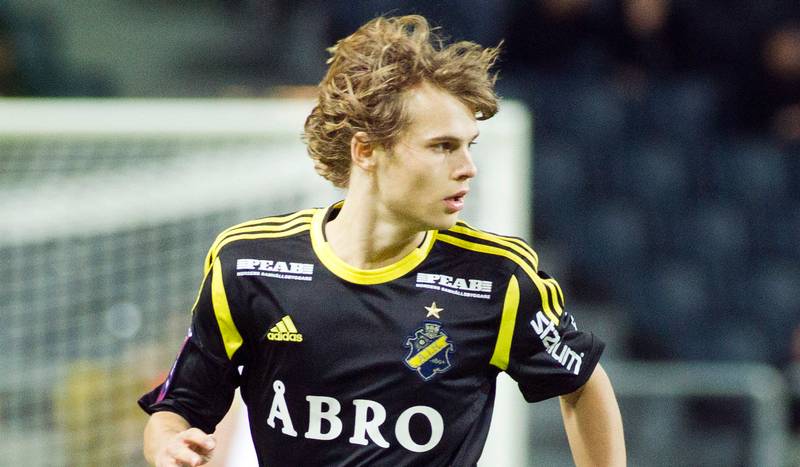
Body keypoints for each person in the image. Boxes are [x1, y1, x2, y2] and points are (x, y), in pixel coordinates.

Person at [139, 15, 626, 467]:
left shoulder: (498, 279)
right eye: (442, 147)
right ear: (366, 150)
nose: (467, 168)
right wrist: (167, 445)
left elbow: (582, 383)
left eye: (468, 146)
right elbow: (179, 406)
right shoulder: (248, 265)